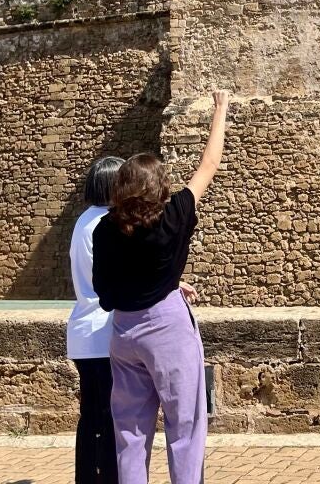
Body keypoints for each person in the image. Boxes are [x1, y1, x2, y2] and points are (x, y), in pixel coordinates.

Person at [92, 90, 230, 484]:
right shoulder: (174, 215)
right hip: (168, 328)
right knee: (185, 427)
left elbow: (105, 290)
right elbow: (209, 165)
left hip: (124, 332)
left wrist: (166, 282)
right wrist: (220, 109)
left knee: (130, 433)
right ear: (159, 188)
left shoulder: (104, 229)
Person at [69, 156, 125, 484]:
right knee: (108, 419)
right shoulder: (106, 224)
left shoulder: (83, 221)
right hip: (102, 334)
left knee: (90, 419)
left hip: (82, 333)